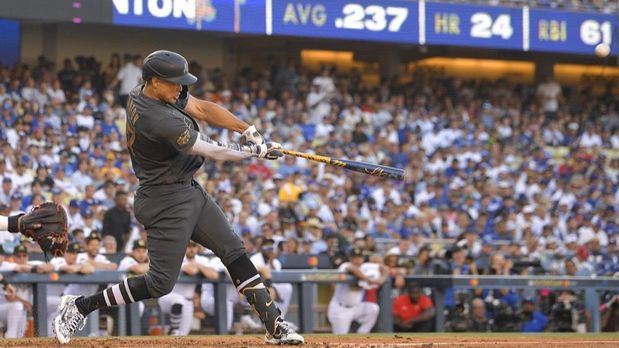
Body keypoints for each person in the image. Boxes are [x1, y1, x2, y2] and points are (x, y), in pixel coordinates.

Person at [52, 50, 303, 345]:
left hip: (187, 189)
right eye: (175, 83)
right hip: (164, 200)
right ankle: (79, 306)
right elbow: (209, 148)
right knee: (160, 284)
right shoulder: (155, 117)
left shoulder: (150, 91)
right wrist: (252, 152)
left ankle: (274, 325)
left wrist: (249, 131)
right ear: (156, 82)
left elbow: (202, 109)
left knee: (233, 250)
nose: (181, 89)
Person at [327, 248, 382, 334]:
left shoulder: (365, 268)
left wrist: (381, 280)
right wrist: (368, 279)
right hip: (341, 309)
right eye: (355, 258)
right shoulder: (344, 265)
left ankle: (362, 333)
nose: (358, 260)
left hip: (356, 307)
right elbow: (352, 269)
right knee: (340, 342)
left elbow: (383, 268)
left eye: (360, 257)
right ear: (350, 258)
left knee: (373, 308)